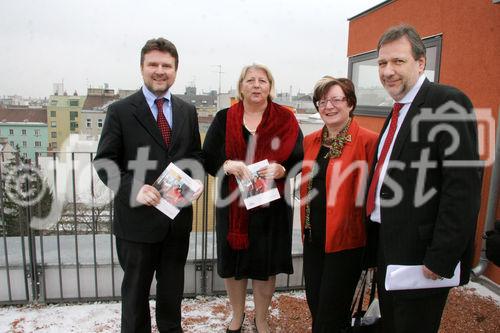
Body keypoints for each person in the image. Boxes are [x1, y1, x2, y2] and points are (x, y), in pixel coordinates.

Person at [365, 25, 482, 333]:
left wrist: (441, 257)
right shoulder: (397, 110)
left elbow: (463, 189)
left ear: (420, 63)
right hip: (388, 244)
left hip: (422, 256)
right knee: (391, 323)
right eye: (381, 63)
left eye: (398, 62)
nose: (388, 71)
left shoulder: (448, 104)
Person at [93, 38, 203, 333]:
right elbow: (104, 161)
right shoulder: (120, 110)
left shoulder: (186, 111)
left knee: (172, 298)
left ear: (176, 71)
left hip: (176, 222)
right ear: (142, 68)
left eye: (166, 65)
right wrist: (134, 188)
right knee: (135, 300)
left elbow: (194, 156)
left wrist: (197, 180)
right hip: (136, 225)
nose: (160, 70)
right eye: (153, 64)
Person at [202, 63, 303, 333]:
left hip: (272, 207)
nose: (256, 85)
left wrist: (282, 169)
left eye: (262, 80)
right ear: (241, 86)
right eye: (250, 80)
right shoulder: (224, 118)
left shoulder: (286, 118)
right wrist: (226, 165)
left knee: (266, 266)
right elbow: (208, 156)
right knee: (235, 265)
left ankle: (261, 317)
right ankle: (237, 315)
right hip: (233, 205)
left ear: (270, 87)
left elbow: (299, 157)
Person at [300, 76, 378, 332]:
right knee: (316, 304)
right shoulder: (311, 140)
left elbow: (377, 194)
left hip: (347, 243)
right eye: (322, 101)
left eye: (336, 99)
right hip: (313, 239)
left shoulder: (368, 141)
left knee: (330, 313)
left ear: (351, 104)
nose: (328, 106)